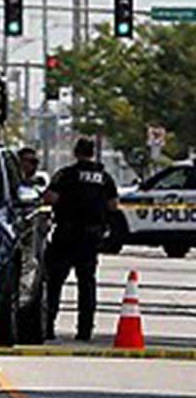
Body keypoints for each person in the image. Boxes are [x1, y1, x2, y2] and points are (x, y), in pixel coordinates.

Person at [44, 138, 118, 341]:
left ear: (76, 153)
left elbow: (50, 197)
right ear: (93, 153)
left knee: (55, 282)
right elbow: (113, 205)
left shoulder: (66, 175)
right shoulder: (105, 178)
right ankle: (84, 330)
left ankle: (48, 325)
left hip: (66, 235)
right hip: (91, 236)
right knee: (87, 283)